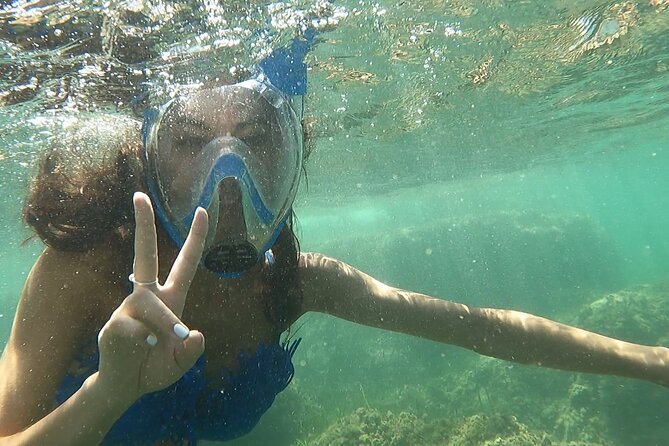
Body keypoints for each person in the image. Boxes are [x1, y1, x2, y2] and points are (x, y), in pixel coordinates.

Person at [0, 30, 668, 446]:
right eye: (190, 144)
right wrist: (107, 392)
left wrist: (650, 362)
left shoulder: (293, 281)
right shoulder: (84, 268)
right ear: (147, 156)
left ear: (287, 159)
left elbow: (478, 329)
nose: (224, 182)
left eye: (255, 139)